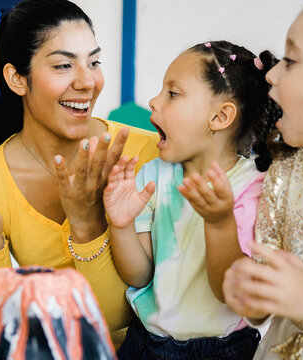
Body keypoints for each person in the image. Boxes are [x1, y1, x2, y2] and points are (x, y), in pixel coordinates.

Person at [0, 0, 160, 347]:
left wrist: (88, 222)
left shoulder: (147, 154)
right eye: (63, 65)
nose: (88, 81)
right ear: (17, 79)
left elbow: (116, 322)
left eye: (94, 62)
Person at [104, 40, 281, 359]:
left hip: (223, 349)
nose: (153, 102)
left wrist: (220, 221)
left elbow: (237, 296)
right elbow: (139, 275)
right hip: (146, 341)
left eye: (172, 93)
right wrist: (120, 225)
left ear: (220, 117)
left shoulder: (254, 187)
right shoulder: (151, 176)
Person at [222, 1, 303, 358]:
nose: (271, 74)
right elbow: (263, 304)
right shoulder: (284, 172)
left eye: (292, 60)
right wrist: (250, 295)